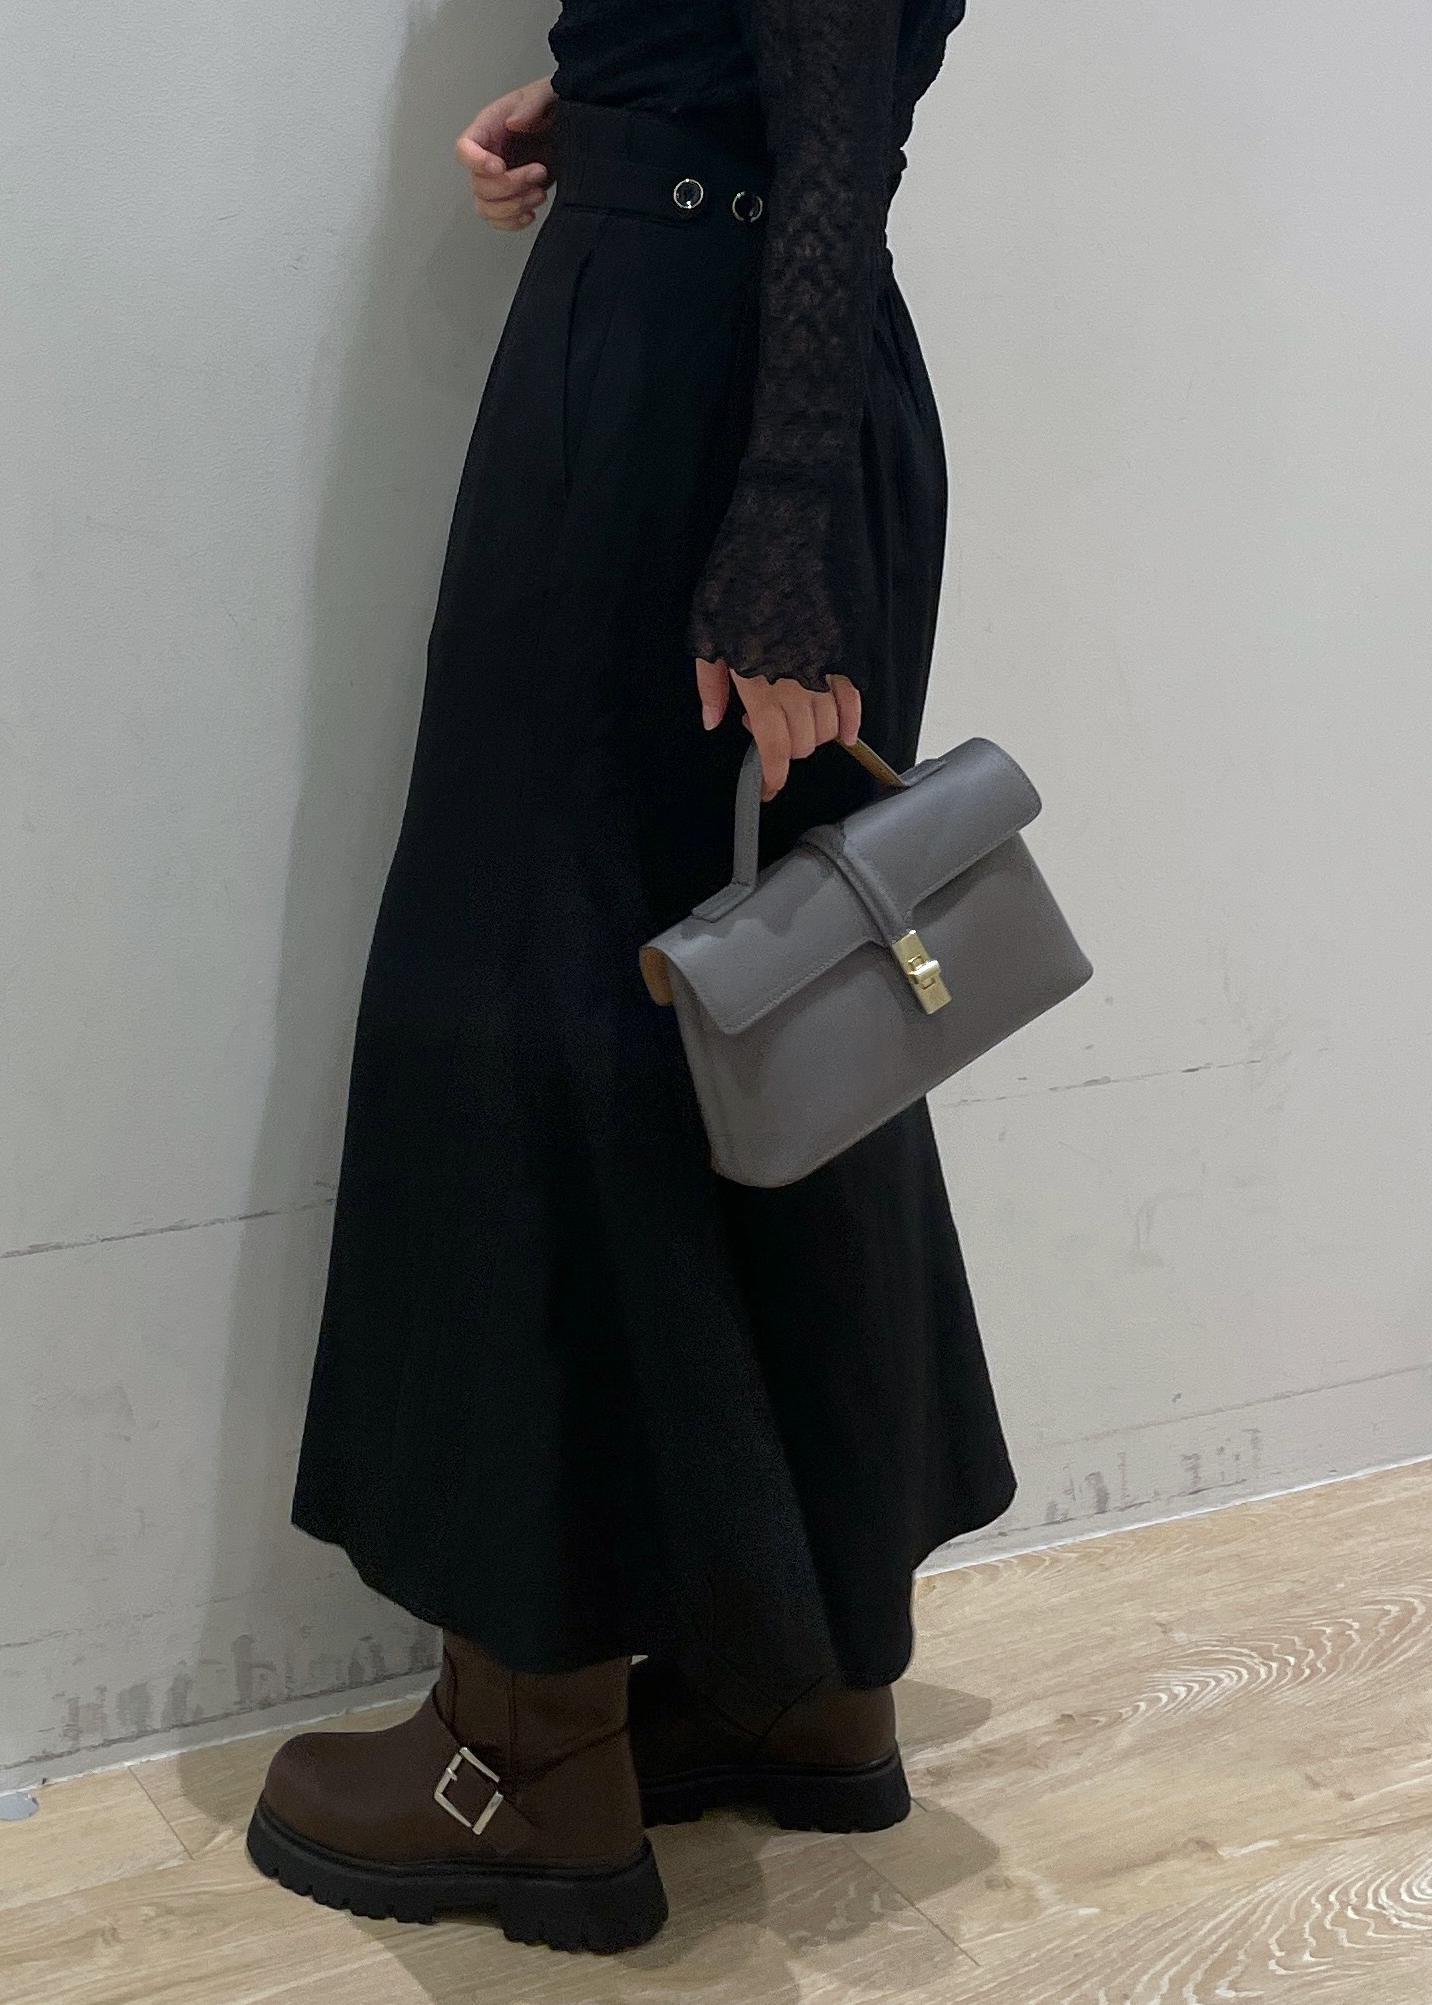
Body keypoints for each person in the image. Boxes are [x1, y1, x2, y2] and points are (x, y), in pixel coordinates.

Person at [245, 0, 1015, 1954]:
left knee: (543, 1007)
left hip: (699, 401)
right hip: (735, 362)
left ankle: (524, 1749)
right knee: (768, 1024)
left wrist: (775, 530)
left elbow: (831, 71)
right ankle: (801, 1671)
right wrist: (629, 88)